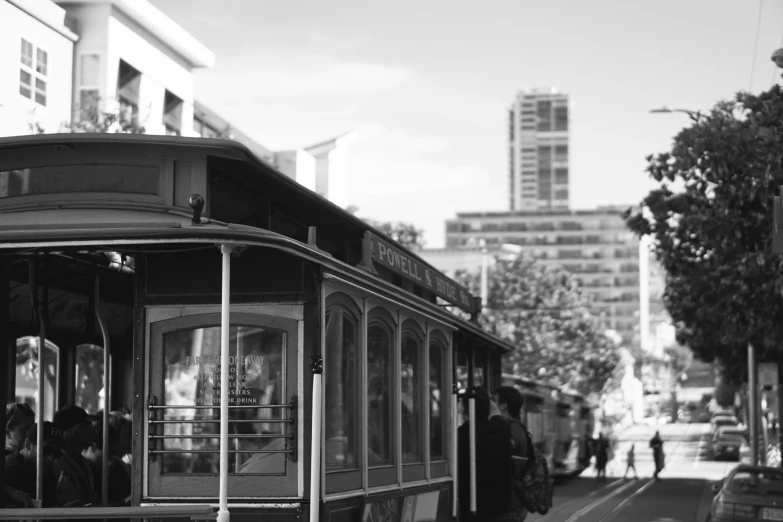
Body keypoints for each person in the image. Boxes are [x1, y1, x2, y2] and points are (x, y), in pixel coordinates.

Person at [457, 386, 515, 521]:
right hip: (500, 508)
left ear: (467, 407)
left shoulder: (462, 433)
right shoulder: (501, 430)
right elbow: (499, 418)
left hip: (472, 507)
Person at [495, 386, 529, 522]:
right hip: (512, 502)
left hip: (510, 504)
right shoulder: (516, 427)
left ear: (503, 406)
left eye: (493, 400)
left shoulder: (510, 429)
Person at [52, 405, 98, 506]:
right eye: (88, 424)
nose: (93, 429)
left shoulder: (82, 461)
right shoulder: (57, 462)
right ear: (77, 429)